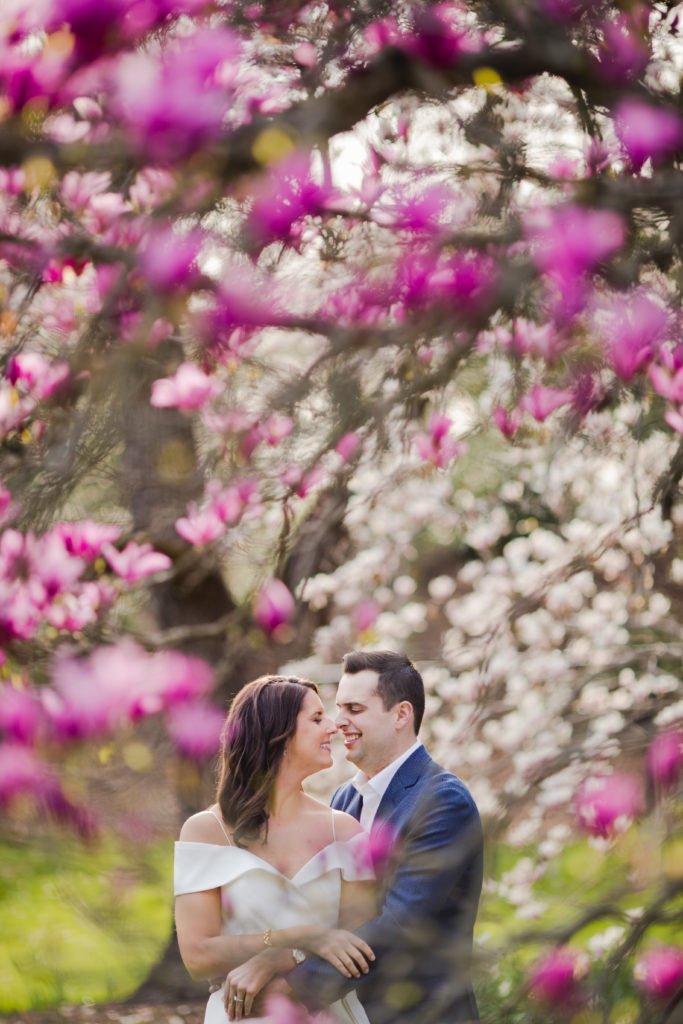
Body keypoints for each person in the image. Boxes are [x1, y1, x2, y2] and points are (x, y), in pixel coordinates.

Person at [271, 650, 484, 1024]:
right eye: (339, 708)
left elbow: (400, 926)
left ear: (401, 715)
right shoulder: (344, 798)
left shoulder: (442, 800)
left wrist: (292, 990)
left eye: (354, 709)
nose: (339, 722)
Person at [174, 674, 378, 1024]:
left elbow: (361, 947)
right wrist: (302, 936)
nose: (333, 727)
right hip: (242, 1015)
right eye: (317, 719)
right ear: (278, 735)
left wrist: (283, 958)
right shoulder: (206, 830)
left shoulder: (345, 831)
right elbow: (198, 956)